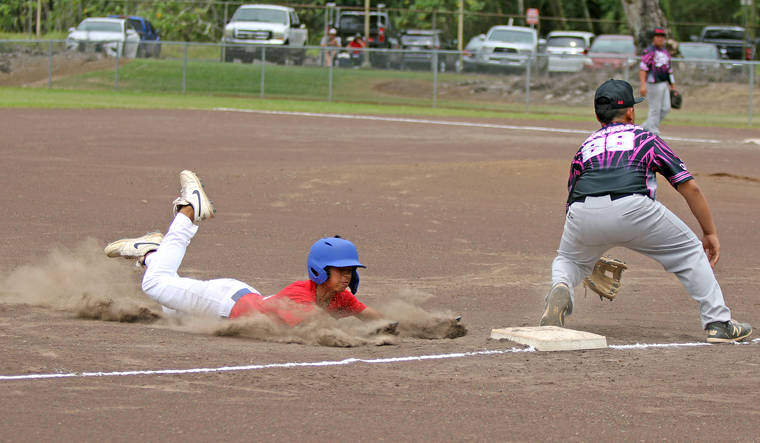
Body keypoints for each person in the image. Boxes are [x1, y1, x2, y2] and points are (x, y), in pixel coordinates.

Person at [539, 79, 752, 343]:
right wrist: (709, 233)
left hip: (582, 212)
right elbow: (689, 187)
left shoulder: (585, 147)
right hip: (634, 207)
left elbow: (572, 196)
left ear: (597, 115)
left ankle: (561, 288)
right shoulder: (645, 137)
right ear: (630, 112)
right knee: (689, 251)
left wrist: (586, 247)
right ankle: (718, 322)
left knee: (568, 261)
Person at [104, 170, 387, 327]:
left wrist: (403, 326)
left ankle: (153, 252)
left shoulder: (339, 298)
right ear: (320, 270)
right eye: (341, 270)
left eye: (351, 270)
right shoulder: (300, 295)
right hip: (222, 303)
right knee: (154, 286)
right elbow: (314, 328)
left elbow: (375, 318)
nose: (348, 275)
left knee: (171, 311)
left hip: (236, 299)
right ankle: (189, 210)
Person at [639, 28, 676, 135]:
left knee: (665, 108)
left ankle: (644, 128)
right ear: (653, 38)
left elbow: (669, 70)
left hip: (664, 83)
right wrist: (642, 85)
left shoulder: (665, 52)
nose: (660, 38)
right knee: (655, 109)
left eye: (662, 36)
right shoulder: (649, 51)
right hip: (653, 84)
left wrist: (673, 86)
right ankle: (653, 132)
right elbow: (643, 68)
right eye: (658, 36)